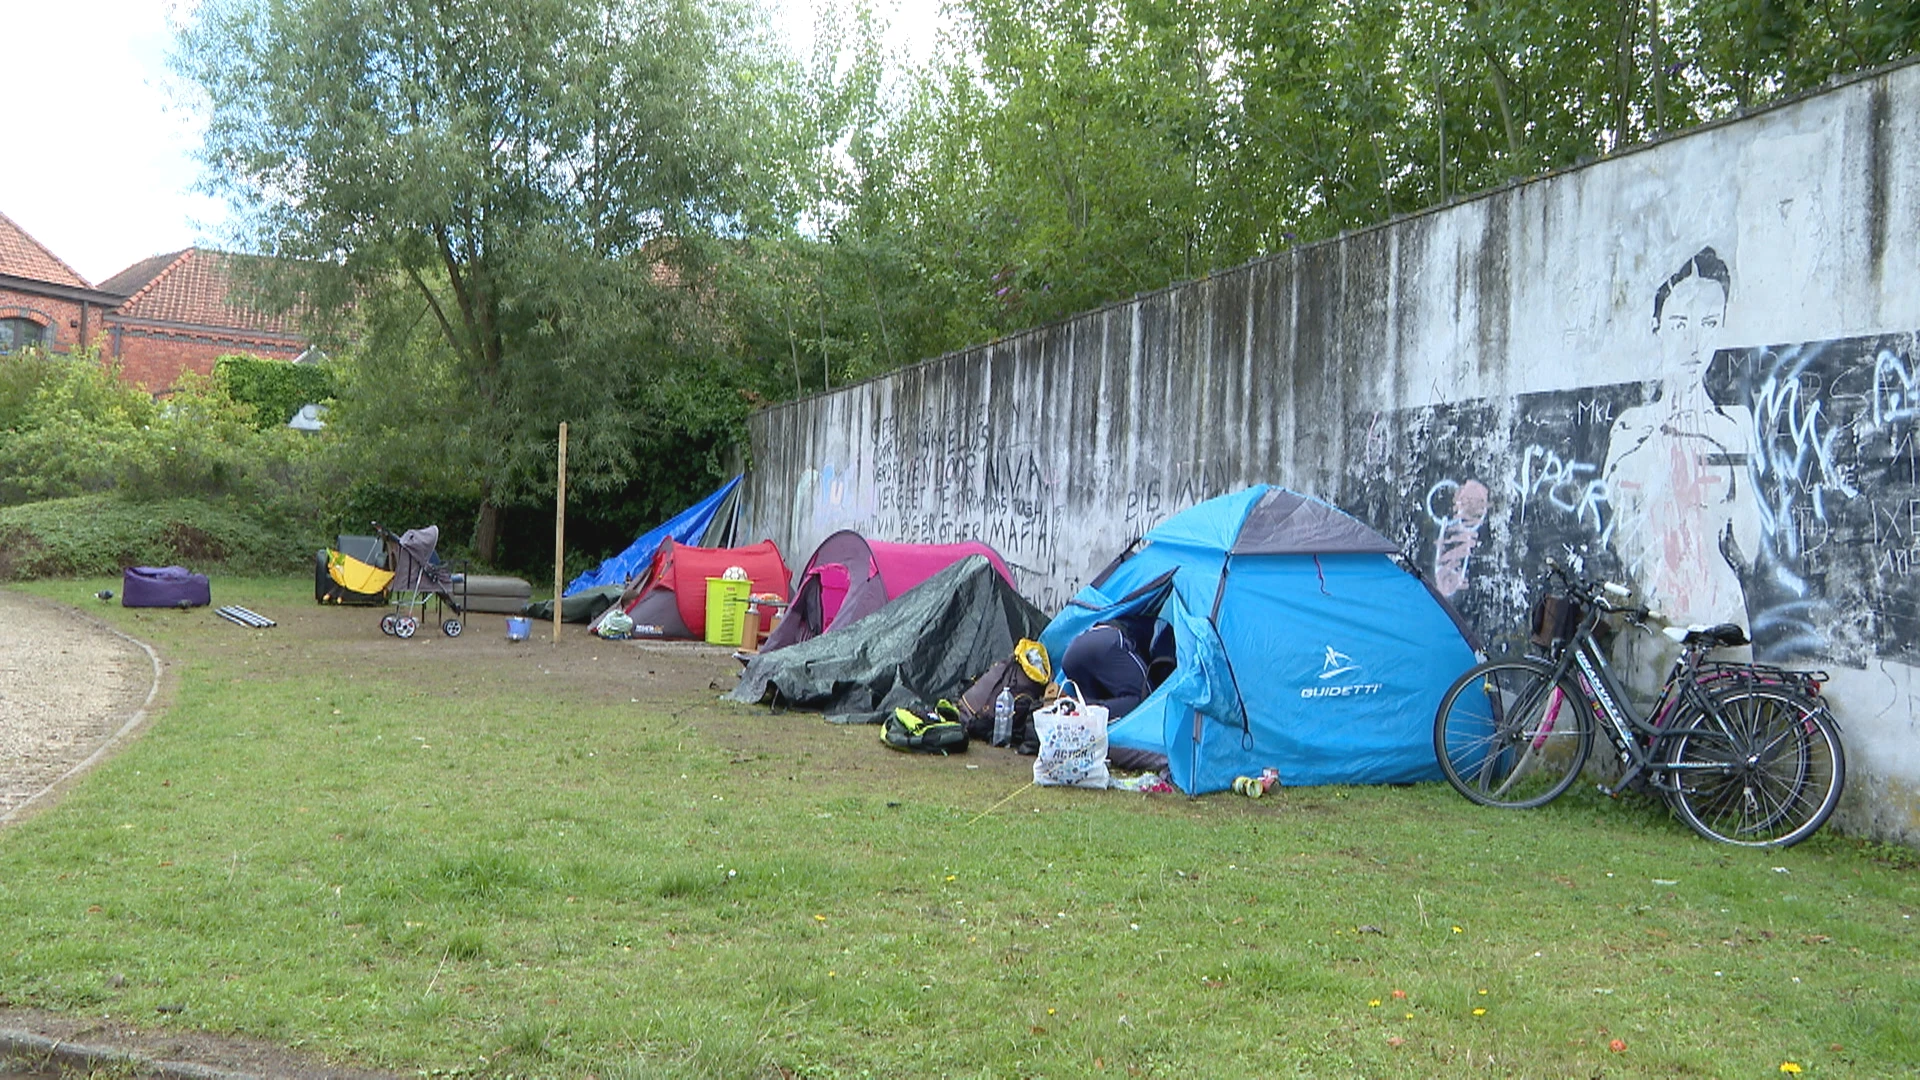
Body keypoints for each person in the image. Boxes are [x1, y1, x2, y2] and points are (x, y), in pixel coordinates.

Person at [1602, 246, 1759, 631]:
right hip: (1656, 615)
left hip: (1723, 613)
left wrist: (1733, 460)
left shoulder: (1734, 425)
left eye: (1708, 324)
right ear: (1657, 327)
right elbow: (1622, 542)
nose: (1694, 343)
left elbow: (1749, 549)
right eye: (1679, 324)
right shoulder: (1631, 427)